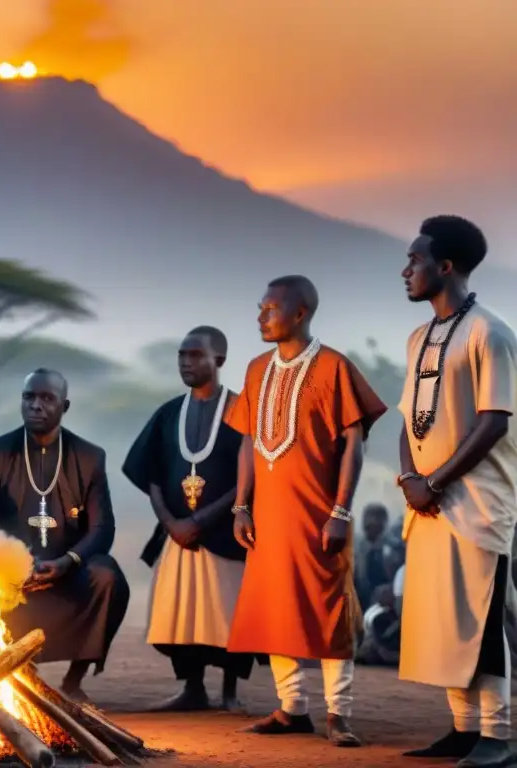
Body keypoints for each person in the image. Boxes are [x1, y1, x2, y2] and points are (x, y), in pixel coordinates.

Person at [225, 274, 386, 748]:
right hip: (268, 515)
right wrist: (240, 506)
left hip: (320, 514)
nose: (260, 315)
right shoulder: (256, 369)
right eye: (260, 307)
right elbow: (249, 443)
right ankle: (292, 709)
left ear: (299, 313)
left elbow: (354, 444)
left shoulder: (335, 366)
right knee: (278, 606)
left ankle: (340, 714)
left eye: (269, 308)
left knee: (329, 608)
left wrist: (340, 511)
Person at [396, 216, 517, 768]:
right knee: (444, 619)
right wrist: (410, 481)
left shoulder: (490, 333)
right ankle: (464, 731)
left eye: (415, 261)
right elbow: (407, 420)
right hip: (427, 503)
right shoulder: (419, 338)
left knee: (481, 618)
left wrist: (436, 481)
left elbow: (494, 421)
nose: (406, 271)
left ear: (445, 267)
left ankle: (498, 737)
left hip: (478, 504)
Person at [122, 326, 257, 711]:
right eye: (182, 354)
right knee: (179, 613)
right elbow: (150, 475)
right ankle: (192, 687)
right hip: (177, 535)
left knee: (228, 612)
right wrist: (172, 524)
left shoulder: (241, 411)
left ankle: (230, 691)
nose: (186, 361)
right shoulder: (168, 413)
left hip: (228, 531)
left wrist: (206, 519)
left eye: (196, 354)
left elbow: (254, 473)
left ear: (220, 360)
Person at [0, 369, 130, 704]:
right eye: (29, 397)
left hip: (68, 567)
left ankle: (74, 681)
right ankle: (15, 668)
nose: (35, 405)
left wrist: (66, 563)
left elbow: (102, 528)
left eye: (47, 398)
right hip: (11, 570)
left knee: (108, 577)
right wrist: (15, 564)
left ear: (65, 405)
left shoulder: (89, 457)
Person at [354, 503, 393, 609]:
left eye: (378, 519)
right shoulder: (355, 549)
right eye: (371, 519)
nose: (374, 522)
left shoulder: (392, 550)